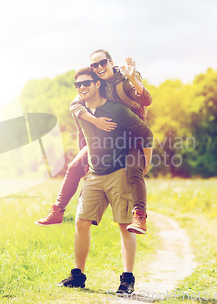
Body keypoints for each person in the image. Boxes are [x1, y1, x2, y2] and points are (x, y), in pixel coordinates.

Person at [57, 67, 153, 294]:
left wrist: (145, 162)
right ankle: (78, 275)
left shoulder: (117, 110)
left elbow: (146, 133)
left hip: (119, 172)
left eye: (86, 83)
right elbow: (75, 107)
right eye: (78, 85)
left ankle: (127, 279)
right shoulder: (79, 109)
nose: (82, 88)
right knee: (81, 222)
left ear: (97, 84)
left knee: (124, 225)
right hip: (94, 173)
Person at [36, 49, 153, 234]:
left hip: (131, 135)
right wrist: (95, 120)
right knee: (74, 165)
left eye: (102, 63)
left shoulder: (124, 80)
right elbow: (75, 105)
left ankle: (139, 217)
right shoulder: (94, 85)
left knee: (133, 168)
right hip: (106, 137)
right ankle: (57, 211)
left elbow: (147, 100)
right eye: (94, 65)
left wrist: (147, 160)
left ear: (111, 62)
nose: (99, 67)